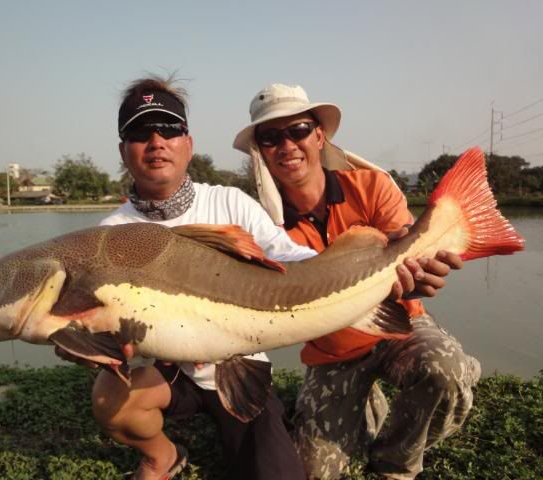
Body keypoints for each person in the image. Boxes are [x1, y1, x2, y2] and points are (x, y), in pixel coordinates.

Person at [57, 75, 318, 480]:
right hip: (167, 370)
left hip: (239, 366)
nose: (156, 142)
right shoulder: (111, 234)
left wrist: (349, 267)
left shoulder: (230, 203)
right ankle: (161, 455)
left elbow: (291, 257)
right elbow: (104, 326)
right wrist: (84, 344)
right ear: (123, 151)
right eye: (140, 133)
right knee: (110, 400)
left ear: (188, 144)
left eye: (169, 129)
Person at [233, 84, 481, 480]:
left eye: (298, 130)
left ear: (319, 135)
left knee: (445, 369)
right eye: (271, 137)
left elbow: (407, 251)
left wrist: (421, 273)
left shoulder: (372, 187)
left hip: (398, 327)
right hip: (334, 352)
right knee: (313, 472)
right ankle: (365, 402)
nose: (287, 145)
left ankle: (394, 464)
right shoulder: (261, 226)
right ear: (260, 151)